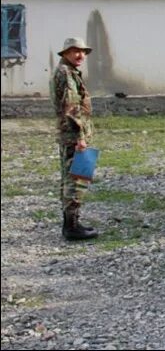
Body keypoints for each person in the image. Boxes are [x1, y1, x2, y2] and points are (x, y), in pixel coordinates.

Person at [50, 37, 98, 241]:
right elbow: (71, 106)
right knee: (76, 179)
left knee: (74, 177)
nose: (80, 55)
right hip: (74, 135)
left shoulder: (68, 72)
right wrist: (80, 137)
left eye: (82, 51)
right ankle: (72, 226)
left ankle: (71, 223)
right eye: (74, 51)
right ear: (66, 53)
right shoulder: (66, 73)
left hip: (72, 134)